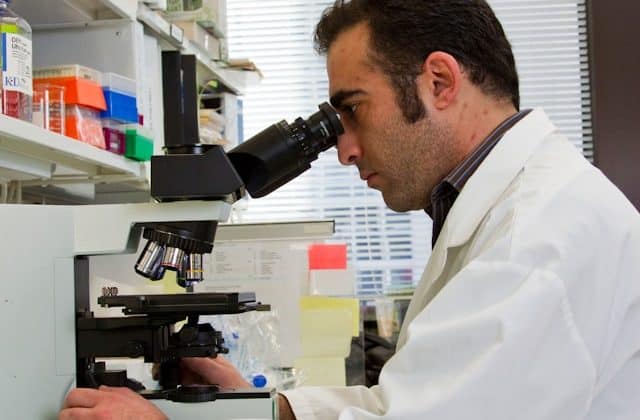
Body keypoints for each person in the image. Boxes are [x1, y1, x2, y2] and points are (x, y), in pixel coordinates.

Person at [60, 1, 640, 419]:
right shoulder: (507, 204)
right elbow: (405, 403)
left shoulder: (535, 238)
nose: (344, 150)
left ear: (440, 82)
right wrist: (268, 406)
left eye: (355, 109)